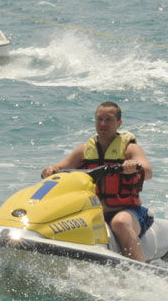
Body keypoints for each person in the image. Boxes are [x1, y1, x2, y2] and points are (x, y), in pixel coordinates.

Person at [40, 102, 153, 262]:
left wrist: (134, 166)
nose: (103, 124)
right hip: (93, 211)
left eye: (109, 120)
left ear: (119, 123)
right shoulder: (83, 151)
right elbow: (59, 168)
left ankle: (140, 271)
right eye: (99, 119)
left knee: (119, 223)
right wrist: (50, 170)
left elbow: (148, 172)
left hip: (126, 210)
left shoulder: (130, 149)